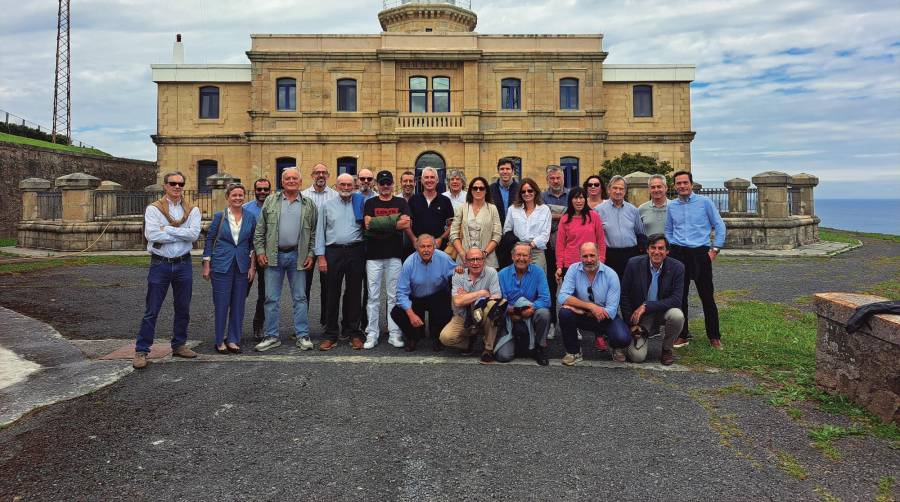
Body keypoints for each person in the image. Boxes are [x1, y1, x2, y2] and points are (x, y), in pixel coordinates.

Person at [132, 171, 201, 369]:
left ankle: (179, 345)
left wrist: (167, 230)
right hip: (160, 263)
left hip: (183, 263)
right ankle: (142, 350)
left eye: (180, 183)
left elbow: (194, 235)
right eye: (173, 183)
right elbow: (152, 234)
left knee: (183, 307)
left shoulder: (192, 210)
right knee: (152, 309)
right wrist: (181, 233)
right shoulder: (153, 209)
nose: (177, 187)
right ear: (165, 185)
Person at [252, 167, 318, 352]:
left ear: (300, 181)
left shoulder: (309, 204)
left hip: (298, 256)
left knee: (300, 297)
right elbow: (260, 230)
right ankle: (271, 336)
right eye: (287, 178)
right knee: (271, 298)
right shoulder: (271, 202)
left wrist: (311, 254)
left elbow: (313, 233)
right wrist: (260, 251)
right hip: (274, 256)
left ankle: (302, 335)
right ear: (282, 182)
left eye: (294, 178)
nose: (291, 181)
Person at [665, 170, 727, 350]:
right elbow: (668, 229)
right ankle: (682, 335)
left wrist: (715, 250)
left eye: (685, 182)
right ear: (674, 186)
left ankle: (714, 336)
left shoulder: (705, 202)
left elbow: (719, 225)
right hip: (678, 254)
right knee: (680, 297)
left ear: (691, 184)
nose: (682, 186)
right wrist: (671, 247)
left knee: (707, 297)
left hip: (700, 253)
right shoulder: (672, 206)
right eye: (678, 183)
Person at [202, 183, 257, 354]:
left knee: (238, 304)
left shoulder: (250, 217)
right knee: (221, 304)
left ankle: (233, 339)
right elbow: (210, 240)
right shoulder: (220, 217)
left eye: (241, 195)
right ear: (228, 197)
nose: (238, 198)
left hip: (242, 265)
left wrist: (252, 267)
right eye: (234, 195)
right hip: (221, 265)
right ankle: (219, 340)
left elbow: (252, 244)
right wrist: (206, 264)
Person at [363, 170, 415, 349]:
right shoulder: (370, 202)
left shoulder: (401, 202)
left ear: (393, 184)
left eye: (388, 183)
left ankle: (395, 333)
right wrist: (394, 222)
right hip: (373, 256)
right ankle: (372, 333)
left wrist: (379, 223)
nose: (385, 186)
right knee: (373, 296)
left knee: (394, 296)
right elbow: (368, 224)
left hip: (394, 255)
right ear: (377, 185)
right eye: (382, 183)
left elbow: (406, 223)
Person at [557, 242, 631, 365]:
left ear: (598, 255)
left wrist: (581, 309)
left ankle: (615, 347)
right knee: (564, 313)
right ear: (580, 256)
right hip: (584, 315)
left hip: (604, 317)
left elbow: (612, 310)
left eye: (592, 255)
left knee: (623, 338)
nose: (589, 260)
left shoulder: (611, 274)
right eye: (585, 256)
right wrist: (590, 307)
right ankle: (573, 352)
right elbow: (562, 297)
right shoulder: (573, 269)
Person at [315, 173, 366, 350]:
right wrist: (321, 257)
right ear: (336, 186)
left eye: (349, 185)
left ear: (354, 186)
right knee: (331, 294)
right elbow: (319, 232)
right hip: (333, 252)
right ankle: (331, 334)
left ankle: (353, 332)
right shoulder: (326, 206)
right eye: (342, 185)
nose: (346, 188)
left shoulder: (361, 203)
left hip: (355, 251)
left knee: (354, 293)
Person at [620, 234, 685, 365]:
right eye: (653, 247)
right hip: (641, 316)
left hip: (662, 311)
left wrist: (647, 306)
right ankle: (636, 337)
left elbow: (676, 300)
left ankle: (667, 349)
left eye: (661, 248)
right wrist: (631, 323)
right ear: (647, 250)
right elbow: (624, 295)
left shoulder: (677, 267)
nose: (657, 252)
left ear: (667, 251)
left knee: (677, 315)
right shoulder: (633, 264)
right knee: (637, 357)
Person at [391, 234, 457, 351]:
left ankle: (438, 338)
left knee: (447, 308)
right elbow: (401, 292)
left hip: (437, 295)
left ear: (434, 247)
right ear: (416, 247)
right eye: (422, 247)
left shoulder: (444, 258)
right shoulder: (409, 262)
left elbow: (456, 273)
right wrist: (411, 314)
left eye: (429, 246)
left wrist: (459, 271)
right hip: (416, 297)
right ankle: (413, 337)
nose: (426, 250)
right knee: (397, 312)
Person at [439, 246, 504, 364]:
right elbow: (457, 302)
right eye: (472, 260)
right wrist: (482, 293)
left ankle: (488, 349)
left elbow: (496, 297)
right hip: (462, 317)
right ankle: (469, 342)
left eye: (478, 259)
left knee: (493, 310)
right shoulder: (458, 275)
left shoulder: (491, 272)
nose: (475, 263)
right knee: (445, 337)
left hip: (484, 316)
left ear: (483, 260)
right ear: (466, 262)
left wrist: (467, 296)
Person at [497, 243, 552, 365]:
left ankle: (540, 347)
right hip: (510, 317)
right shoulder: (502, 274)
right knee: (503, 356)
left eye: (525, 255)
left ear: (530, 258)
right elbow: (500, 303)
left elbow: (546, 299)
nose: (521, 258)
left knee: (544, 313)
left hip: (531, 313)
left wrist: (531, 308)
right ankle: (518, 343)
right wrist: (514, 312)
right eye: (518, 255)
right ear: (512, 256)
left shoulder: (538, 273)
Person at [302, 163, 338, 328]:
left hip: (327, 244)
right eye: (317, 173)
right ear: (312, 175)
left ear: (328, 175)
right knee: (304, 286)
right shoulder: (303, 196)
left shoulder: (334, 196)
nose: (321, 176)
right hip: (307, 244)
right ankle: (302, 324)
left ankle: (326, 322)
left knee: (328, 285)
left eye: (324, 172)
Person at [595, 175, 646, 281]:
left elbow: (640, 233)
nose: (618, 191)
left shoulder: (633, 210)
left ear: (625, 191)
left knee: (630, 288)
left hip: (631, 255)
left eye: (621, 188)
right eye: (615, 188)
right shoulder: (598, 211)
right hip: (609, 256)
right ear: (609, 190)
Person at [555, 187, 606, 283]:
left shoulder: (594, 216)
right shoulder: (565, 219)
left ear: (585, 199)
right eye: (575, 198)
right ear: (571, 200)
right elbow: (560, 245)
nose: (579, 201)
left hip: (591, 263)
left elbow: (601, 241)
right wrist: (559, 267)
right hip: (570, 265)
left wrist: (601, 261)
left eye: (581, 198)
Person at [449, 176, 502, 268]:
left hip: (487, 259)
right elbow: (453, 233)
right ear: (470, 190)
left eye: (481, 188)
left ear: (486, 191)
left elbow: (497, 234)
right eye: (475, 188)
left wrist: (485, 253)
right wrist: (462, 253)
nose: (478, 190)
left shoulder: (492, 209)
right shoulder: (462, 208)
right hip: (464, 259)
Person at [243, 178, 271, 341]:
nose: (262, 192)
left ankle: (258, 325)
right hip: (248, 257)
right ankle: (234, 327)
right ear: (254, 190)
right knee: (241, 292)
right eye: (259, 189)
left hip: (267, 256)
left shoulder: (275, 207)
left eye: (265, 189)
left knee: (265, 294)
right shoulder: (246, 209)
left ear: (270, 190)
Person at [542, 165, 569, 337]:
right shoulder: (542, 197)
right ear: (547, 180)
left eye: (558, 177)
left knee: (571, 286)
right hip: (549, 248)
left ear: (563, 178)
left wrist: (552, 214)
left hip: (569, 247)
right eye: (552, 178)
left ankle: (573, 324)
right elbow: (541, 217)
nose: (555, 181)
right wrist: (566, 215)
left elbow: (577, 215)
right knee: (550, 286)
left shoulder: (571, 195)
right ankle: (552, 321)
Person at [503, 178, 551, 270]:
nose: (526, 193)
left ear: (535, 191)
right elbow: (507, 230)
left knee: (538, 279)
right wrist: (518, 245)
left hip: (536, 251)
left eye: (530, 190)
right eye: (523, 191)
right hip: (518, 248)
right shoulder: (512, 209)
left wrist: (531, 245)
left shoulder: (544, 209)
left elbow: (545, 234)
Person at [409, 166, 454, 250]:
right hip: (418, 248)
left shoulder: (445, 201)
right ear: (422, 181)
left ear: (437, 180)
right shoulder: (413, 200)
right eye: (426, 177)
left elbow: (452, 225)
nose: (429, 180)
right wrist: (414, 239)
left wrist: (441, 238)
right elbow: (407, 224)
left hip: (439, 248)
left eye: (432, 177)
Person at [489, 157, 519, 225]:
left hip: (515, 231)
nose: (505, 172)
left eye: (508, 169)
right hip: (495, 230)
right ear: (498, 171)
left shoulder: (520, 189)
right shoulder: (490, 189)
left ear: (513, 171)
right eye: (502, 169)